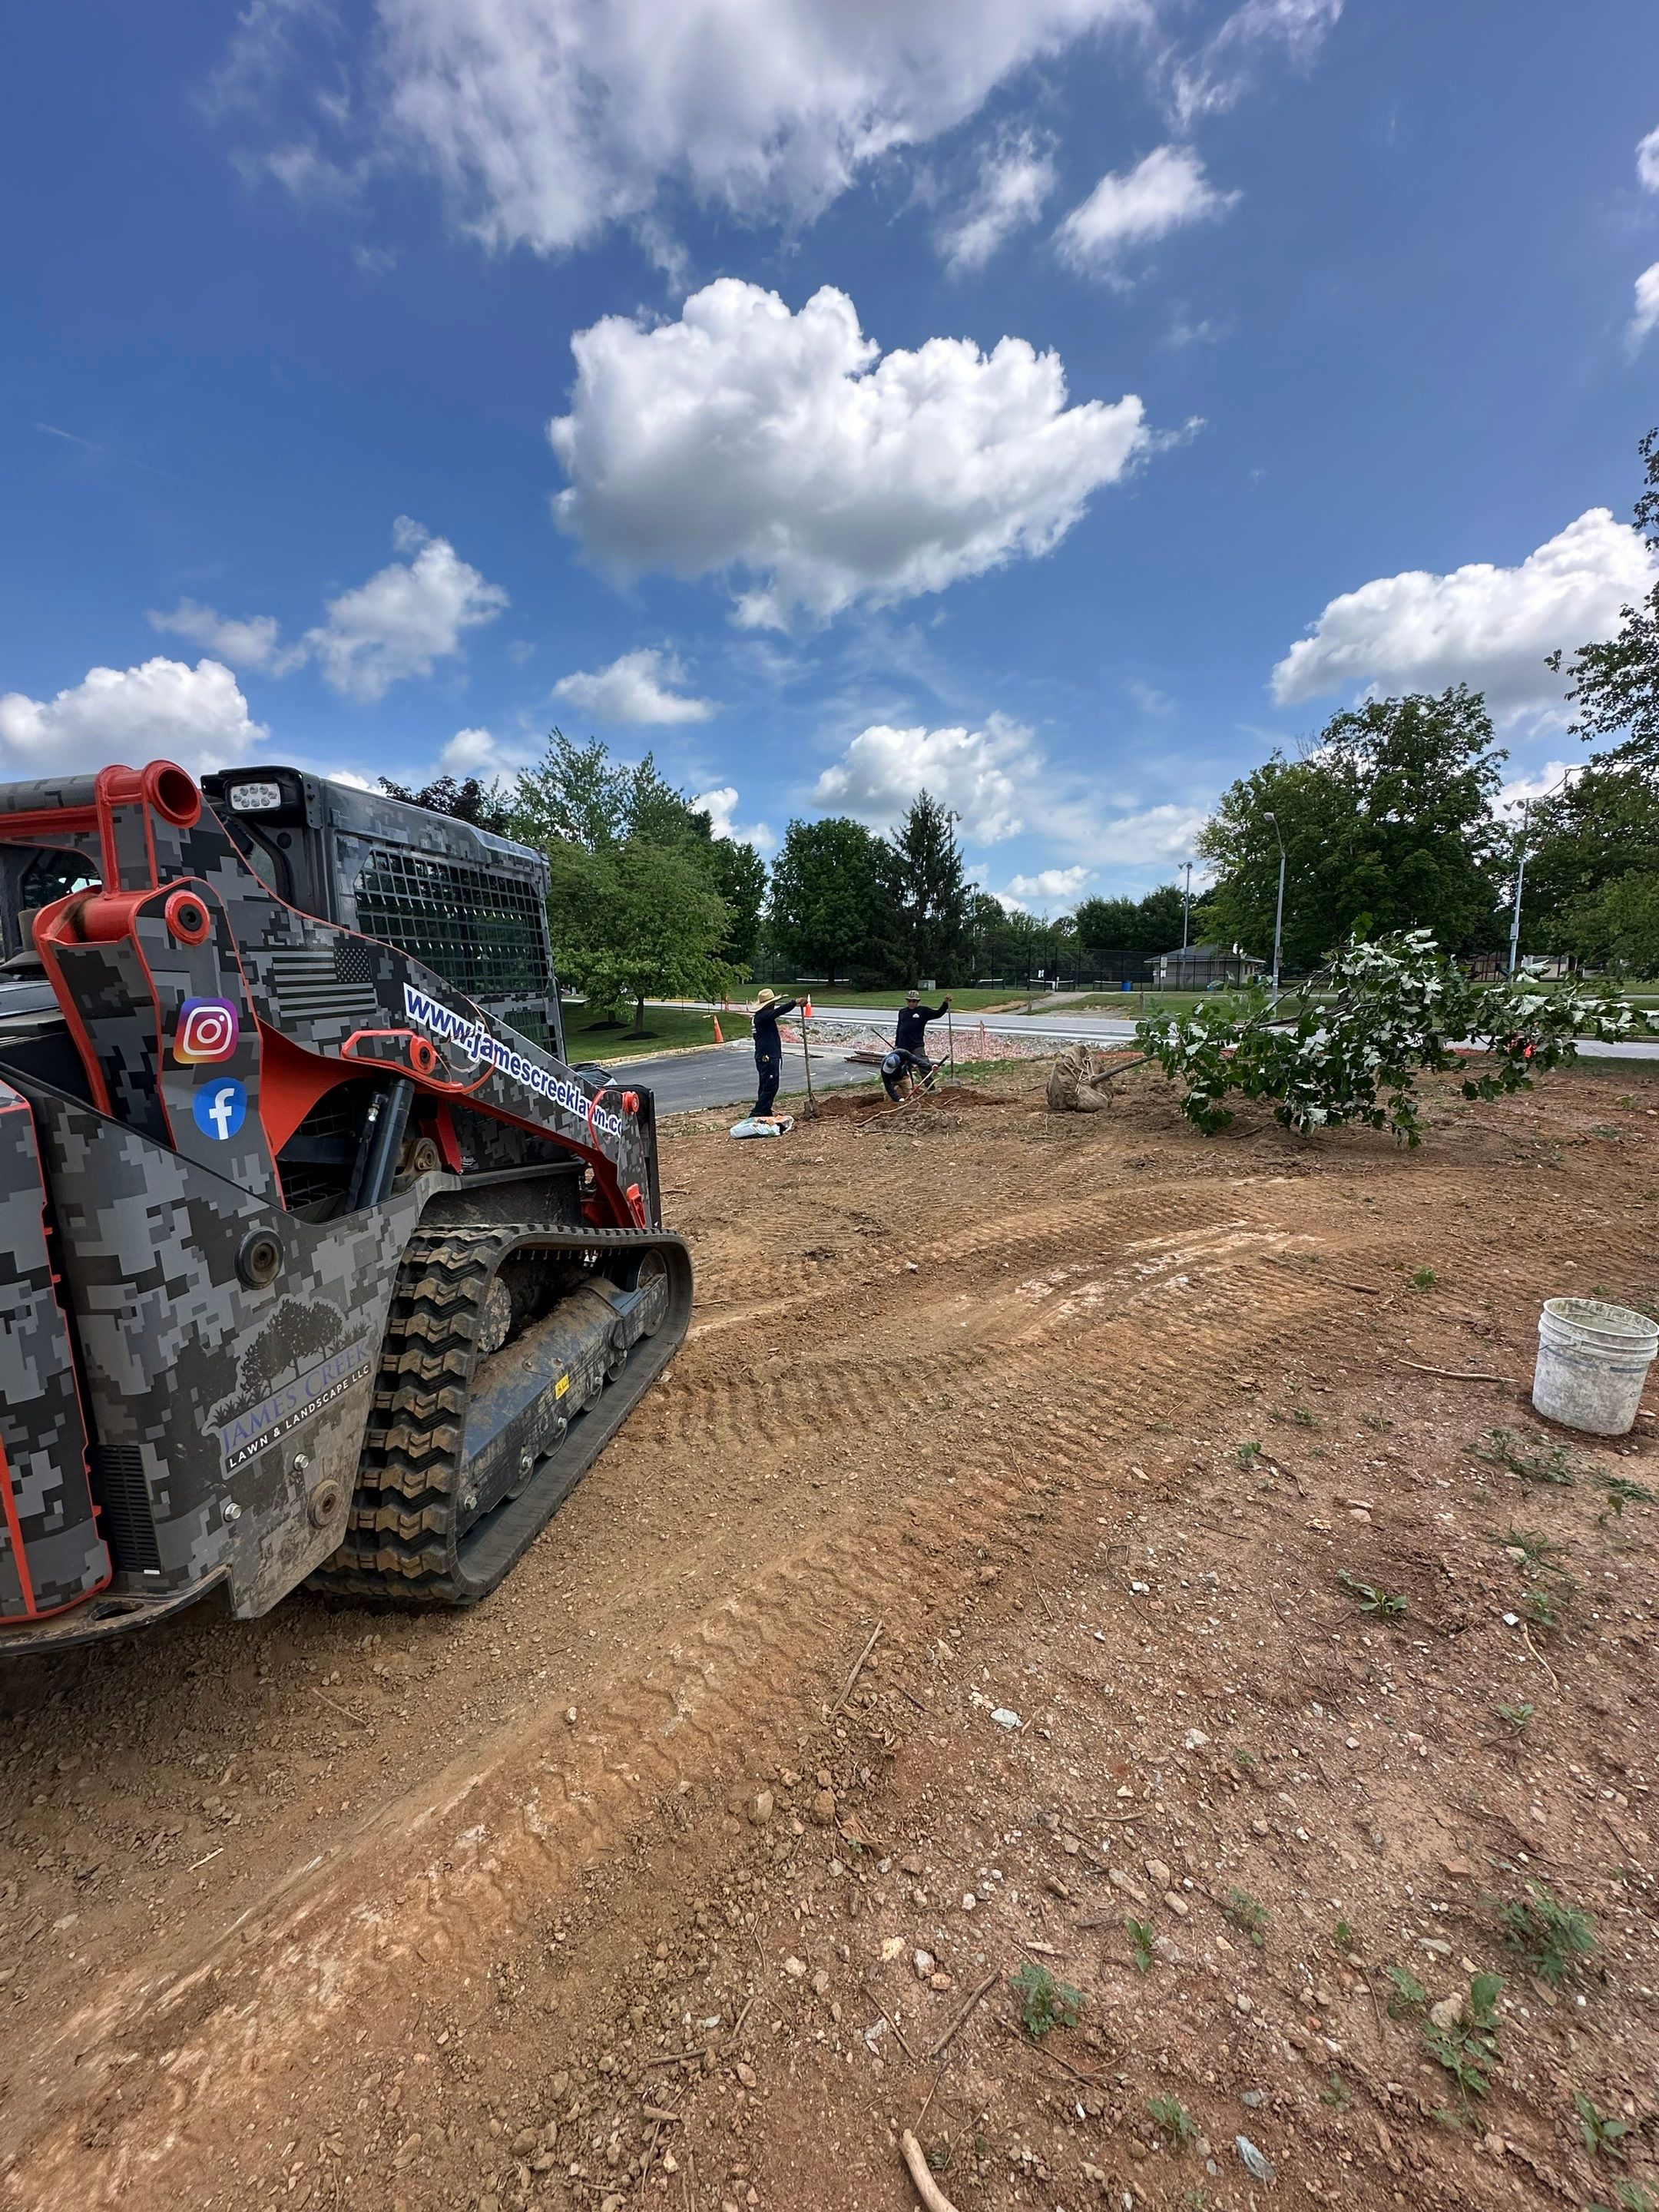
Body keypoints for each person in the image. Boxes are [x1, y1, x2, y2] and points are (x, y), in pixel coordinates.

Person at [882, 988, 951, 1101]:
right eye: (909, 1001)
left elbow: (938, 1014)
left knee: (923, 1064)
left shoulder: (923, 1011)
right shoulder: (902, 1012)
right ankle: (910, 1089)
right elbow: (899, 1028)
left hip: (917, 1045)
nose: (911, 1003)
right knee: (904, 1069)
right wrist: (897, 1044)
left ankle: (931, 1088)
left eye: (914, 1001)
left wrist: (945, 1004)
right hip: (903, 1046)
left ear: (917, 1002)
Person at [749, 986, 796, 1121]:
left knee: (765, 1086)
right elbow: (779, 1012)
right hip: (767, 1056)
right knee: (771, 1086)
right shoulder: (762, 1017)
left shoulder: (761, 1017)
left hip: (765, 1055)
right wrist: (794, 1003)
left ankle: (765, 1112)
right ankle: (757, 1114)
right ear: (769, 1004)